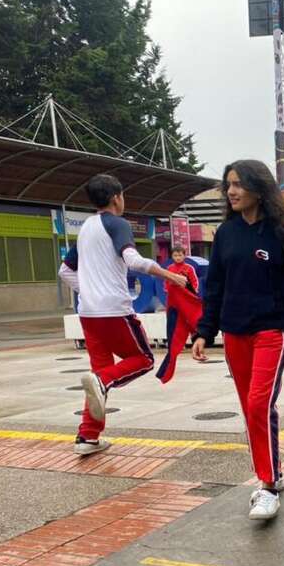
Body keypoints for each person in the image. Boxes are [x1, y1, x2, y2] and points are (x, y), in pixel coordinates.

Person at [191, 160, 284, 520]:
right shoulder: (225, 234)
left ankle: (267, 486)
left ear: (259, 189)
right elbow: (215, 287)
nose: (232, 191)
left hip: (271, 332)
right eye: (228, 185)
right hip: (234, 333)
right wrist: (204, 331)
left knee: (259, 405)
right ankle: (274, 471)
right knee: (251, 410)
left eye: (239, 184)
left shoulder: (280, 233)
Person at [58, 174, 188, 456]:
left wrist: (89, 292)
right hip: (114, 311)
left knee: (99, 373)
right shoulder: (118, 224)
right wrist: (170, 276)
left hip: (88, 314)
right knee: (143, 359)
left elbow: (65, 271)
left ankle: (88, 436)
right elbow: (134, 261)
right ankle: (102, 384)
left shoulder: (86, 229)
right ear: (117, 197)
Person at [156, 246, 202, 384]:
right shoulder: (169, 269)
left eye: (180, 255)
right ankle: (167, 368)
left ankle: (199, 348)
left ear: (184, 256)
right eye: (175, 255)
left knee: (195, 323)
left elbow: (194, 284)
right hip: (175, 304)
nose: (178, 258)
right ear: (172, 256)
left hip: (187, 302)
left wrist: (191, 295)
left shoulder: (189, 268)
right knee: (174, 335)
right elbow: (166, 286)